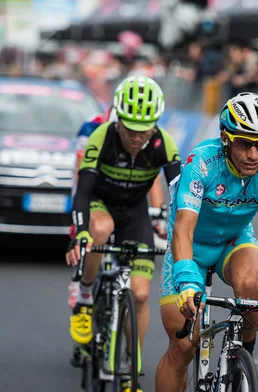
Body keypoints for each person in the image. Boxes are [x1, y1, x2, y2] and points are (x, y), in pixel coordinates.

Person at [155, 92, 258, 391]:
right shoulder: (202, 161)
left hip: (234, 240)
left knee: (249, 283)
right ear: (225, 138)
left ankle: (242, 351)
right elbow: (183, 229)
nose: (255, 154)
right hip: (188, 247)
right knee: (181, 348)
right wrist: (186, 279)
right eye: (245, 143)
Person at [66, 75, 181, 392]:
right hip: (101, 204)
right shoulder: (102, 137)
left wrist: (177, 229)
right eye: (129, 127)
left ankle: (130, 366)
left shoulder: (163, 143)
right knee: (99, 231)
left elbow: (182, 196)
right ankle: (86, 296)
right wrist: (81, 233)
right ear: (117, 118)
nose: (135, 136)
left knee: (141, 293)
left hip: (134, 214)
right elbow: (83, 191)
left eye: (144, 129)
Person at [67, 104, 167, 310]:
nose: (132, 138)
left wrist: (159, 215)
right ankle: (83, 282)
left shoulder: (141, 136)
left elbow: (152, 175)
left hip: (127, 194)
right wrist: (82, 219)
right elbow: (81, 173)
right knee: (99, 229)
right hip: (95, 186)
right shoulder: (91, 129)